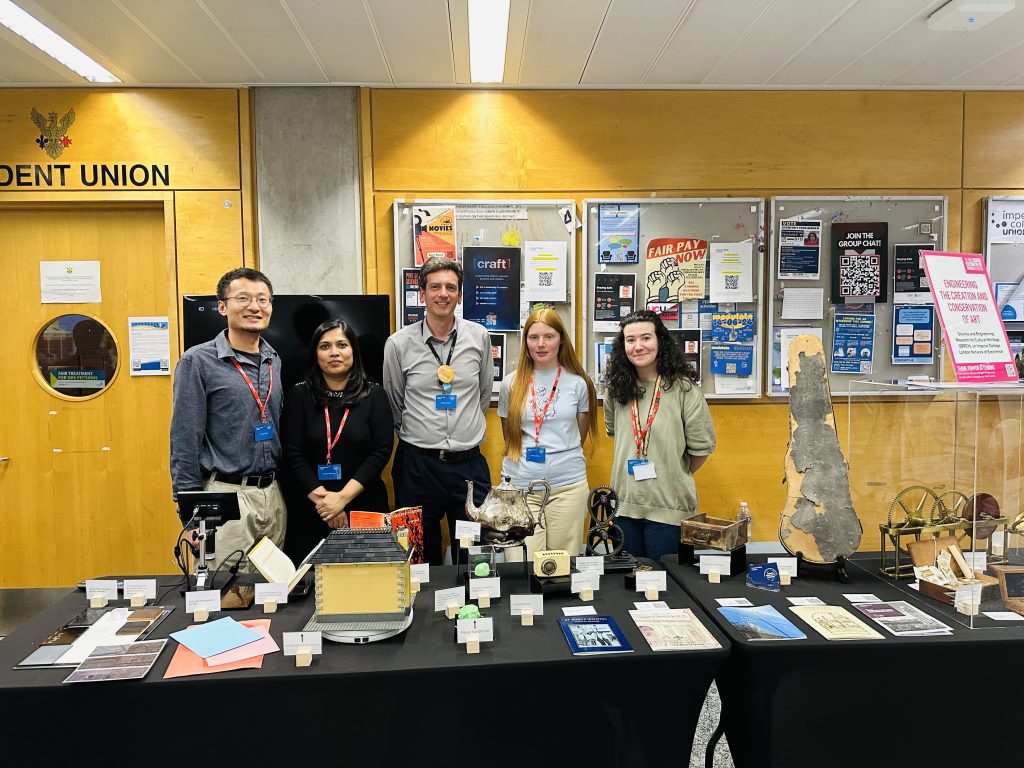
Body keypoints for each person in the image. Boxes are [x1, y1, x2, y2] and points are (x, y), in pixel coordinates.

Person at [170, 267, 286, 570]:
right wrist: (192, 515)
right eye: (243, 298)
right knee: (226, 596)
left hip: (271, 495)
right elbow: (184, 440)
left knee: (270, 594)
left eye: (263, 299)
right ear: (222, 306)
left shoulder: (274, 360)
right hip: (225, 495)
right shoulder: (197, 361)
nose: (254, 307)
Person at [383, 255, 492, 565]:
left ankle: (471, 610)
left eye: (450, 287)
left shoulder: (479, 337)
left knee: (471, 554)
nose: (443, 293)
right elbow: (395, 400)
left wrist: (463, 427)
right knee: (418, 554)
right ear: (423, 294)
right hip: (417, 465)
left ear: (459, 294)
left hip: (469, 466)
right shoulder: (398, 344)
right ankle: (423, 612)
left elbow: (482, 394)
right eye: (435, 287)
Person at [603, 309, 716, 563]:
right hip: (624, 506)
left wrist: (672, 473)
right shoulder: (616, 391)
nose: (638, 346)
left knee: (669, 589)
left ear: (660, 341)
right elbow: (616, 436)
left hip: (669, 509)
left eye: (646, 338)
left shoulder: (684, 390)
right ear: (623, 347)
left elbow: (700, 451)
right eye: (630, 340)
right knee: (628, 585)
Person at [280, 320, 394, 562]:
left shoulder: (375, 395)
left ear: (353, 350)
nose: (334, 352)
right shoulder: (299, 395)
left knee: (368, 583)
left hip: (364, 503)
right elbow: (292, 453)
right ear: (315, 354)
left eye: (342, 345)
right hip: (311, 508)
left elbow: (381, 451)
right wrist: (326, 505)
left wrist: (341, 499)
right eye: (325, 346)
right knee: (310, 586)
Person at [498, 308, 597, 556]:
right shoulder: (510, 383)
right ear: (526, 342)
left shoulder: (578, 382)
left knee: (563, 564)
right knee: (522, 562)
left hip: (567, 489)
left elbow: (579, 435)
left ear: (561, 339)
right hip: (520, 491)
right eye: (534, 337)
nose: (541, 344)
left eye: (549, 336)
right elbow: (510, 436)